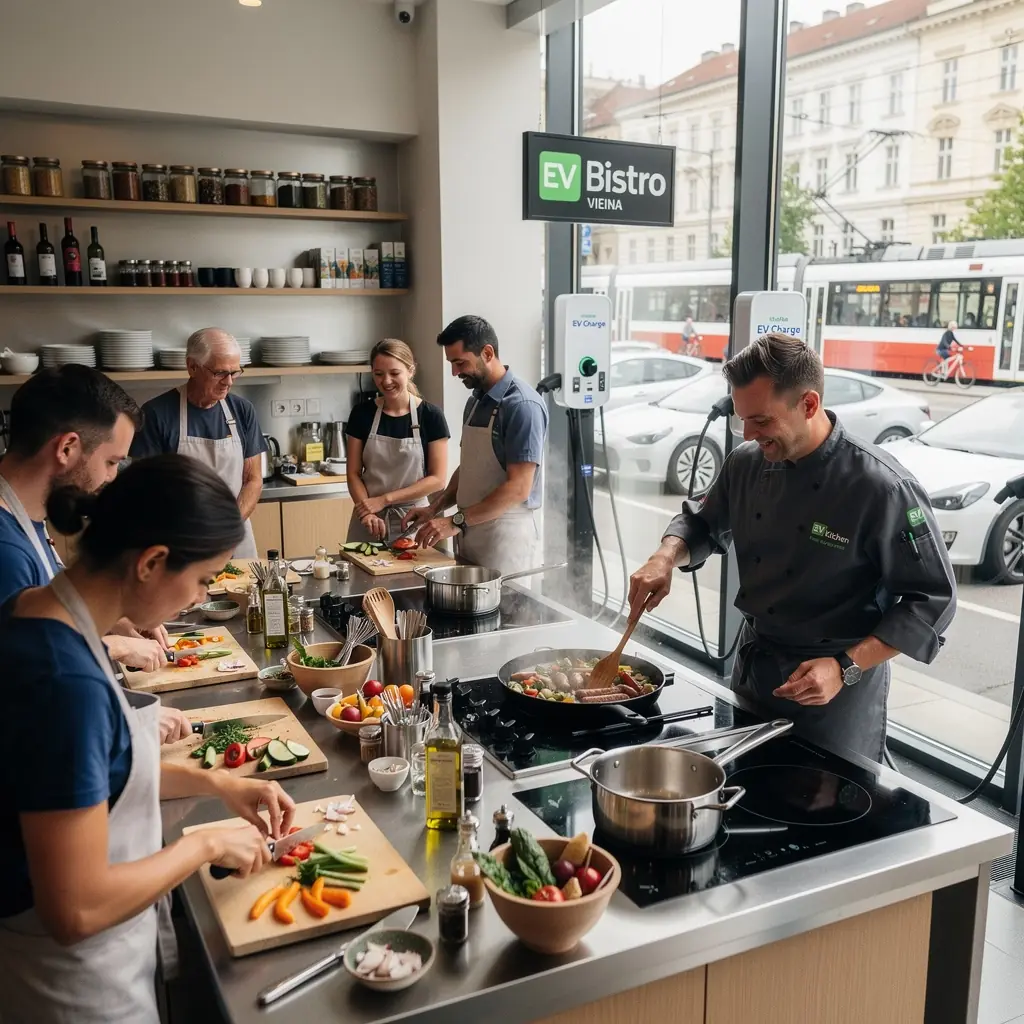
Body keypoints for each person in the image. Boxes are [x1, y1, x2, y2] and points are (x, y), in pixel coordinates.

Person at [0, 454, 294, 1022]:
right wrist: (201, 845)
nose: (196, 598)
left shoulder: (36, 611)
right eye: (202, 580)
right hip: (73, 989)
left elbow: (92, 778)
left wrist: (214, 782)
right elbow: (76, 908)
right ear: (153, 562)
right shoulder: (65, 682)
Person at [627, 333, 956, 761]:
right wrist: (664, 556)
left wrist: (845, 666)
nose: (748, 433)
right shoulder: (746, 462)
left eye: (761, 421)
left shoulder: (881, 486)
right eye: (742, 418)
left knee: (831, 813)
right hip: (755, 671)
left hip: (832, 691)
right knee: (744, 790)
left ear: (809, 404)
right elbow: (700, 524)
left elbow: (931, 600)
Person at [0, 366, 193, 744]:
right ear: (67, 448)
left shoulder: (30, 520)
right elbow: (19, 674)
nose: (113, 476)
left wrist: (109, 621)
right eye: (111, 461)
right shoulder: (6, 550)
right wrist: (122, 716)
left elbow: (46, 627)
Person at [404, 315, 549, 575]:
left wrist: (456, 521)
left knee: (507, 615)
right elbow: (470, 468)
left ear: (488, 352)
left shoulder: (522, 406)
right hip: (469, 531)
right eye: (451, 363)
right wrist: (434, 510)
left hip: (505, 538)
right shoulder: (476, 402)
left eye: (460, 363)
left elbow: (519, 488)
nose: (455, 372)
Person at [130, 328, 265, 557]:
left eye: (235, 372)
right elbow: (146, 490)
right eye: (220, 373)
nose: (229, 382)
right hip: (181, 541)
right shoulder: (156, 414)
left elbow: (253, 479)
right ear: (192, 367)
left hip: (234, 536)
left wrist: (226, 529)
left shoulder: (242, 411)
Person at [345, 339, 449, 544]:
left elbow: (438, 479)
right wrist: (366, 512)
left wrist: (384, 500)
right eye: (378, 374)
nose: (386, 381)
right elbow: (353, 472)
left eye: (394, 373)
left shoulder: (431, 416)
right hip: (369, 521)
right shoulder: (362, 414)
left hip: (413, 521)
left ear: (410, 371)